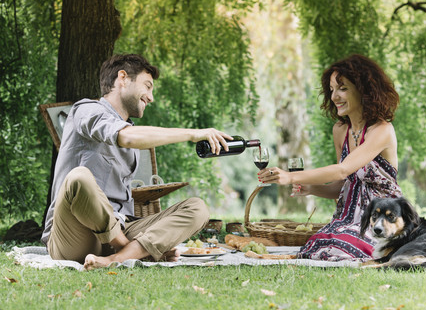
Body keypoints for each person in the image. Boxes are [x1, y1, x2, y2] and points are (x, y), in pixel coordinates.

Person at [41, 54, 233, 270]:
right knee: (79, 177)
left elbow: (131, 137)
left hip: (121, 227)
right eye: (147, 86)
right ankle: (132, 251)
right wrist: (193, 134)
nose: (151, 97)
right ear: (122, 78)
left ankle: (118, 257)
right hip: (74, 235)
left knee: (197, 208)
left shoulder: (131, 134)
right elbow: (127, 137)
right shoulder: (86, 110)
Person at [258, 54, 403, 261]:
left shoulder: (381, 130)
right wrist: (313, 188)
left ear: (363, 90)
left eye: (342, 88)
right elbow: (343, 183)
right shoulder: (340, 130)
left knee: (341, 249)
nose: (335, 96)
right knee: (316, 246)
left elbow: (343, 169)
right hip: (347, 218)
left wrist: (291, 177)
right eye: (332, 89)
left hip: (382, 219)